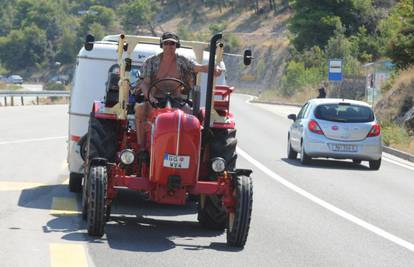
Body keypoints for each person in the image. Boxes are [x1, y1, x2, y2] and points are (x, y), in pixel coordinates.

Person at [134, 32, 223, 156]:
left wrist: (213, 68)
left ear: (177, 46)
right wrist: (150, 97)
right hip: (155, 99)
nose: (169, 46)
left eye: (172, 44)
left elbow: (199, 68)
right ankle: (141, 148)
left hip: (176, 99)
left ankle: (190, 152)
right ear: (162, 45)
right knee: (140, 110)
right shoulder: (151, 61)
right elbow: (145, 83)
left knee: (192, 118)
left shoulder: (182, 60)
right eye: (166, 43)